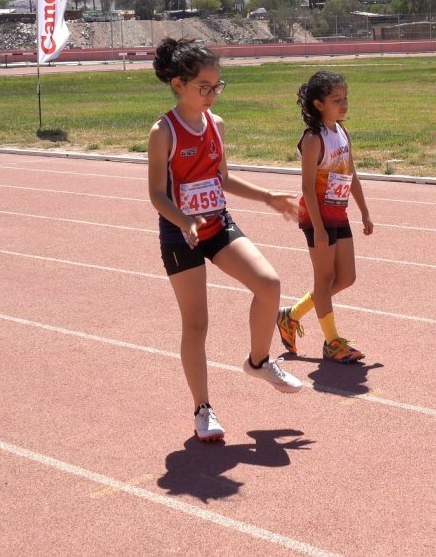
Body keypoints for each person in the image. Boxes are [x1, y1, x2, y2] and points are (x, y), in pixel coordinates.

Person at [147, 38, 304, 443]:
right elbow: (156, 195)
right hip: (180, 233)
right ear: (179, 84)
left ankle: (258, 361)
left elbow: (223, 178)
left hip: (217, 223)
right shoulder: (163, 131)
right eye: (205, 87)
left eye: (218, 86)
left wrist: (268, 197)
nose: (213, 94)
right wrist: (184, 220)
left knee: (268, 283)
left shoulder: (216, 124)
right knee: (197, 323)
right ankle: (203, 409)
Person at [276, 70, 373, 364]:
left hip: (338, 212)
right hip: (316, 216)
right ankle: (332, 342)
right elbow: (306, 186)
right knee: (324, 278)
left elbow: (351, 174)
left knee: (346, 277)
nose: (343, 104)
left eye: (345, 98)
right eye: (336, 100)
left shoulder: (342, 132)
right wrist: (317, 227)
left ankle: (291, 316)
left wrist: (365, 211)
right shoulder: (313, 139)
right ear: (318, 104)